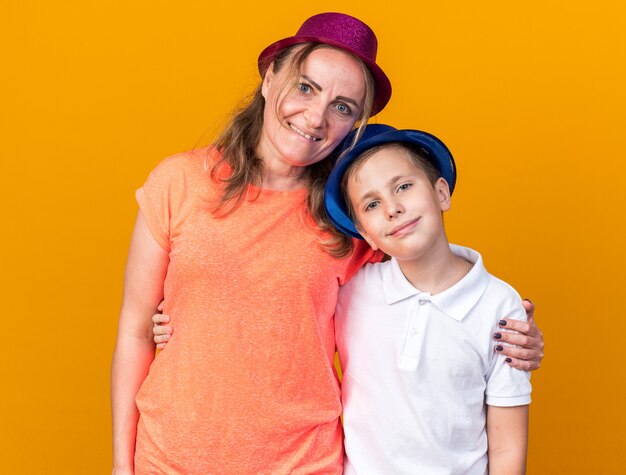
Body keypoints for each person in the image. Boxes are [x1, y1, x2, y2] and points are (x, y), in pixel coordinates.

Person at [113, 12, 543, 474]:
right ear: (270, 76)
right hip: (170, 459)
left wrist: (508, 329)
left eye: (342, 106)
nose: (315, 116)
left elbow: (428, 287)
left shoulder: (351, 220)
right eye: (305, 87)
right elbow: (136, 332)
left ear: (355, 123)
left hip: (303, 463)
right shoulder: (178, 183)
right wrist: (122, 464)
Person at [324, 124, 531, 474]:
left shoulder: (499, 305)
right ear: (365, 234)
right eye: (372, 204)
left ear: (441, 193)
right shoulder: (350, 290)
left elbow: (508, 447)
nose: (393, 208)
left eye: (403, 186)